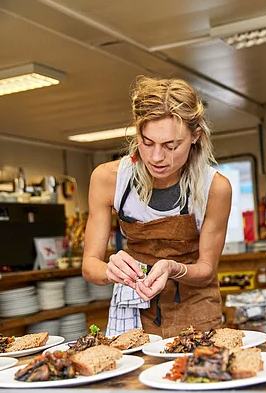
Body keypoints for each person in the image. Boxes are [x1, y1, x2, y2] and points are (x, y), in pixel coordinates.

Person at [83, 76, 231, 337]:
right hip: (133, 309)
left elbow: (206, 270)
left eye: (171, 145)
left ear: (195, 136)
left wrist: (175, 268)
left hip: (195, 308)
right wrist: (110, 270)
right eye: (147, 142)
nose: (156, 157)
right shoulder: (109, 179)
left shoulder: (214, 188)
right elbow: (89, 266)